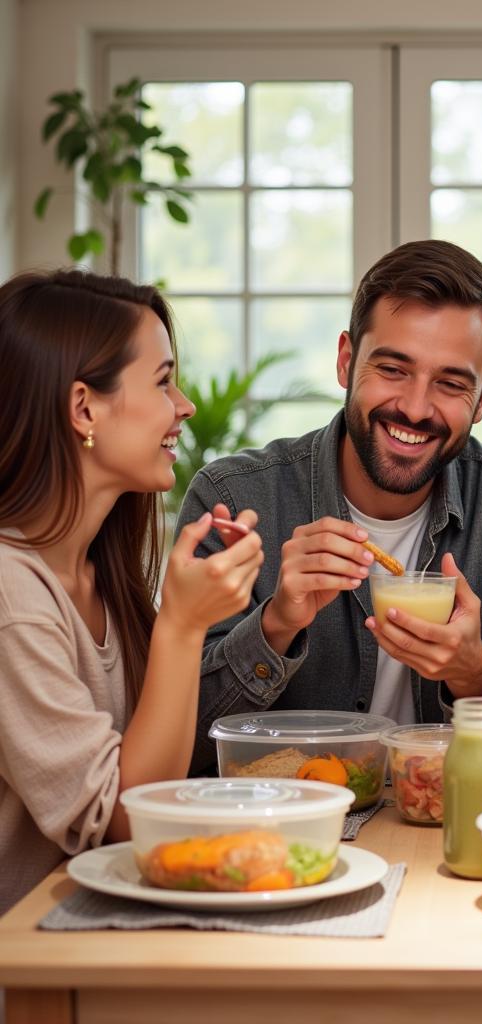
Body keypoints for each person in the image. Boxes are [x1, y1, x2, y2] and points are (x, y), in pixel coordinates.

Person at [178, 240, 482, 774]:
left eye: (451, 383)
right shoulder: (233, 500)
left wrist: (473, 671)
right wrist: (276, 625)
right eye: (393, 369)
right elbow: (186, 749)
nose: (414, 407)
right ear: (345, 360)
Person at [0, 270, 264, 914]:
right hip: (31, 971)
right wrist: (182, 624)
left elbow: (162, 785)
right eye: (162, 381)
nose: (185, 406)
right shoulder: (12, 598)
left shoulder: (102, 576)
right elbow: (123, 820)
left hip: (99, 931)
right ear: (84, 407)